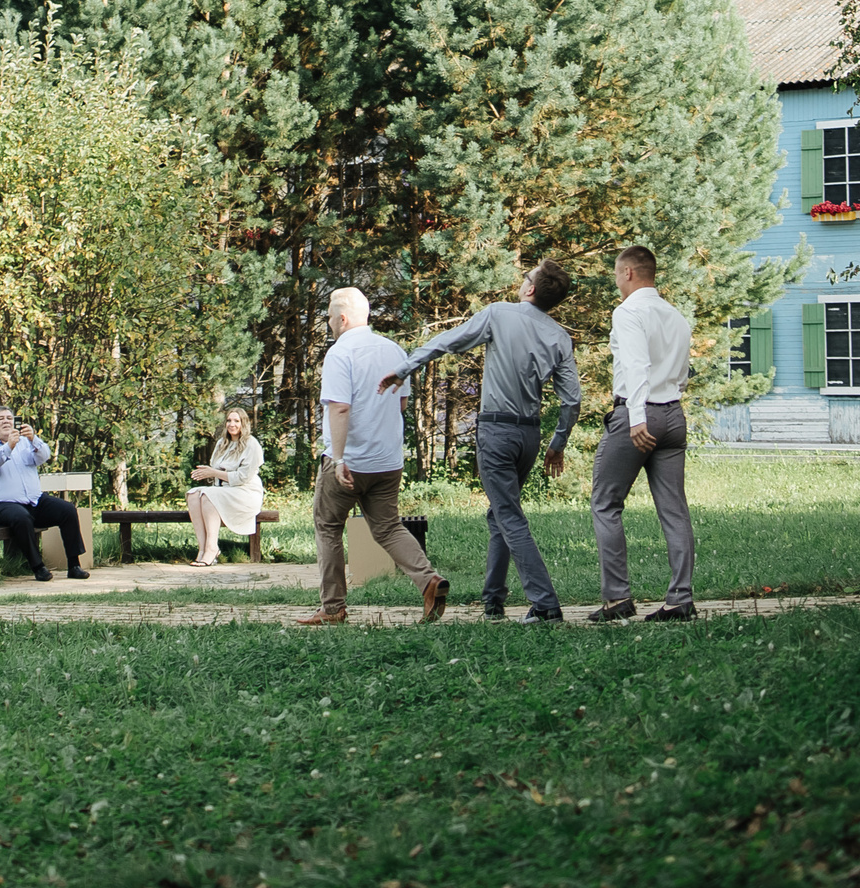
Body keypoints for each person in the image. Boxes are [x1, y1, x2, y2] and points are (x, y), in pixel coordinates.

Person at [383, 259, 581, 623]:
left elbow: (446, 341)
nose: (522, 280)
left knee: (509, 516)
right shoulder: (559, 336)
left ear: (530, 289)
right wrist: (558, 443)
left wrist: (404, 368)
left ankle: (545, 604)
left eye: (526, 276)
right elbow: (572, 400)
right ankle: (493, 601)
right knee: (500, 515)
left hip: (497, 432)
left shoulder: (499, 314)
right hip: (530, 436)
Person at [297, 287, 450, 626]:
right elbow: (401, 403)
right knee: (389, 527)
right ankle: (429, 580)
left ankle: (333, 609)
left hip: (349, 464)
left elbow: (339, 408)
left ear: (342, 318)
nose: (328, 323)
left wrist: (339, 460)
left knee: (328, 528)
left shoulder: (340, 353)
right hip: (387, 462)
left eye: (329, 317)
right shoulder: (393, 349)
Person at [588, 245, 697, 622]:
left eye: (616, 274)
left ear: (629, 273)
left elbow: (636, 366)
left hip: (639, 415)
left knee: (606, 502)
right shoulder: (676, 316)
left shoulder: (628, 311)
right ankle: (680, 598)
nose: (616, 281)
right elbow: (682, 374)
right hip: (674, 415)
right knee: (674, 508)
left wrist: (636, 418)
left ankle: (617, 599)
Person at [0, 406, 90, 582]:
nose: (6, 421)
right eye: (0, 418)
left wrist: (33, 439)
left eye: (9, 418)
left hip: (34, 501)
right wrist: (8, 447)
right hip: (1, 506)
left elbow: (44, 457)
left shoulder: (25, 442)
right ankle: (38, 567)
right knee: (22, 517)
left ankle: (74, 565)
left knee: (67, 510)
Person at [185, 407, 263, 566]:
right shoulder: (222, 443)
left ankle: (211, 548)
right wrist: (209, 473)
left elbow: (242, 477)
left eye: (236, 421)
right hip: (225, 490)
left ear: (243, 423)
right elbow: (216, 470)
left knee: (209, 496)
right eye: (229, 420)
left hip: (246, 491)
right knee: (193, 494)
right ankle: (202, 549)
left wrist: (213, 472)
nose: (232, 424)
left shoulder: (251, 444)